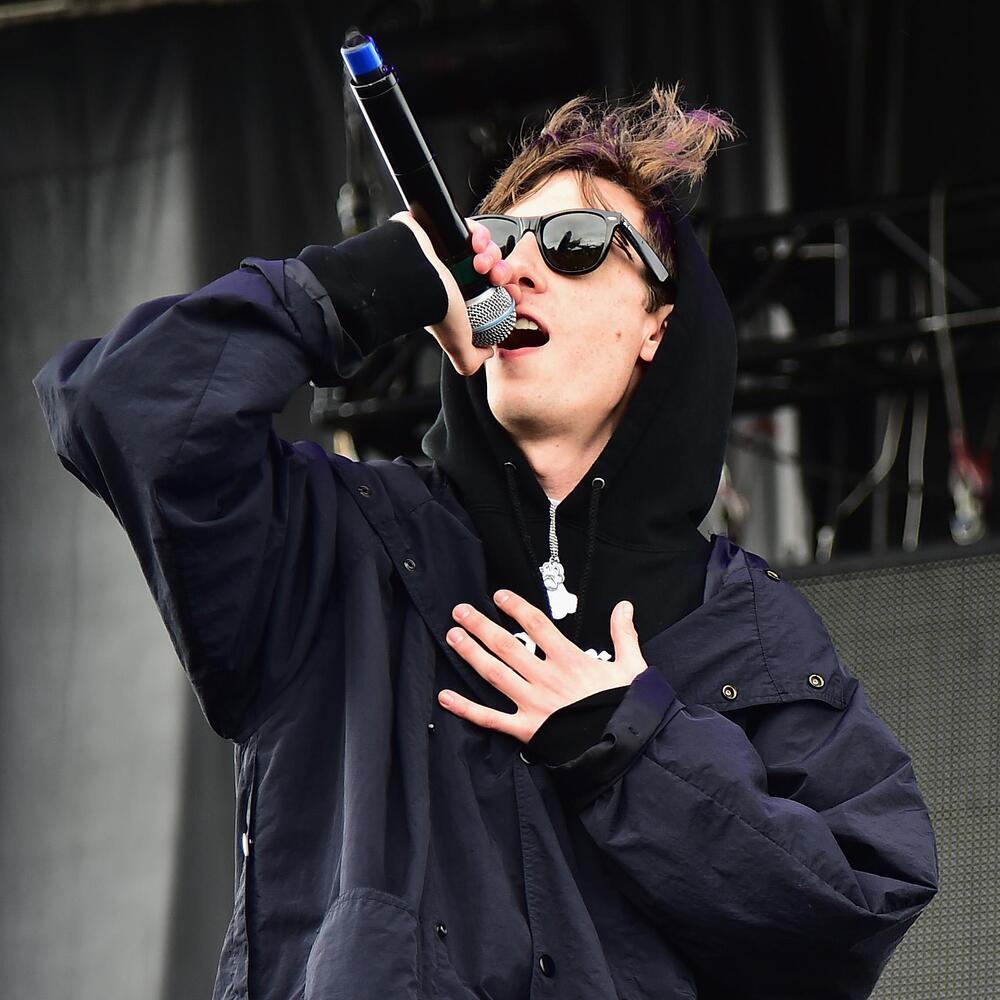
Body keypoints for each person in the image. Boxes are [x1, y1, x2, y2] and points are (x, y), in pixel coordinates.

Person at [34, 85, 938, 999]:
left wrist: (627, 745)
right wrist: (376, 279)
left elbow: (853, 910)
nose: (521, 271)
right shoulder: (340, 543)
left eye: (575, 243)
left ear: (656, 326)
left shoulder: (745, 625)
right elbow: (123, 403)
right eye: (502, 243)